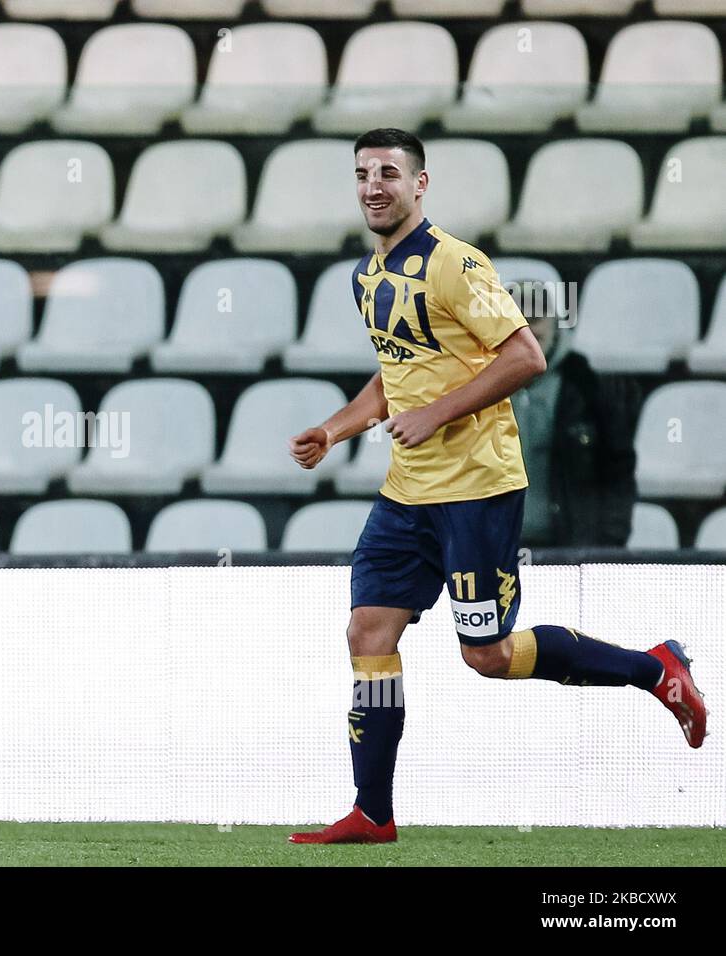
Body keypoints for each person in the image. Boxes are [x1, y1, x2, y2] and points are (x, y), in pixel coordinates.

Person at [285, 128, 706, 845]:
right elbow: (396, 375)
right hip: (407, 494)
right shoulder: (368, 276)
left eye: (389, 172)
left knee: (486, 654)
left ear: (421, 185)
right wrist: (334, 430)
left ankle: (654, 669)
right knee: (368, 630)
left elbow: (525, 356)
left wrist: (436, 414)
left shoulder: (455, 264)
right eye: (362, 173)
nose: (373, 185)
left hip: (477, 490)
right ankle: (373, 811)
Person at [512, 311, 640, 547]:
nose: (529, 326)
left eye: (536, 317)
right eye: (519, 318)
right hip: (496, 547)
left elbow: (618, 470)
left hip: (570, 548)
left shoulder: (587, 388)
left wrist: (608, 543)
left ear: (556, 325)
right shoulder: (475, 385)